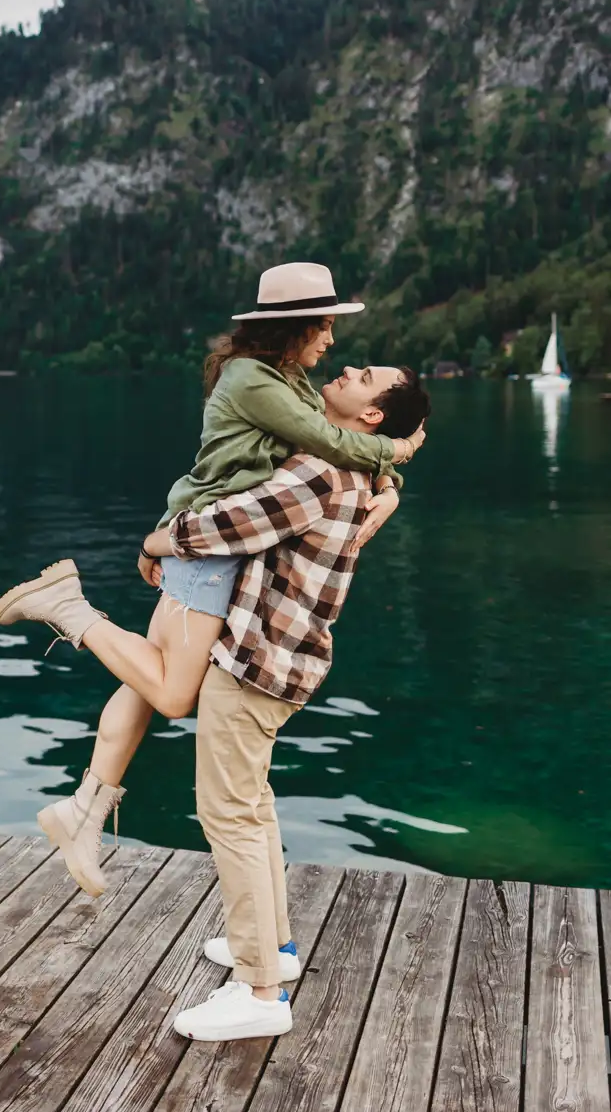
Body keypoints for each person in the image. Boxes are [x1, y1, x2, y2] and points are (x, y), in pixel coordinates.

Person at [0, 264, 424, 892]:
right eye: (325, 326)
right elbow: (330, 444)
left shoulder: (290, 378)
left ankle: (83, 811)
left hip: (210, 540)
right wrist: (401, 453)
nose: (333, 341)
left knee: (144, 686)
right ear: (296, 327)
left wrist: (391, 484)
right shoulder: (256, 380)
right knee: (172, 696)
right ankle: (69, 609)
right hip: (212, 548)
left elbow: (338, 443)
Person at [155, 364, 430, 1041]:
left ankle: (259, 993)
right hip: (283, 661)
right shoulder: (348, 466)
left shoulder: (320, 474)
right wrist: (394, 474)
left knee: (229, 816)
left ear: (370, 416)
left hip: (256, 662)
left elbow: (229, 524)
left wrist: (157, 540)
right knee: (250, 806)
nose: (346, 368)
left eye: (363, 377)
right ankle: (272, 948)